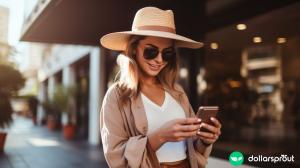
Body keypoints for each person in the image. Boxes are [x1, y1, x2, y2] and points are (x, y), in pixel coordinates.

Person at [99, 7, 221, 168]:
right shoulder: (116, 96)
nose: (159, 60)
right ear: (134, 48)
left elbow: (191, 147)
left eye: (167, 53)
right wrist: (160, 136)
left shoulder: (177, 92)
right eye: (151, 51)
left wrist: (205, 140)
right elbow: (115, 157)